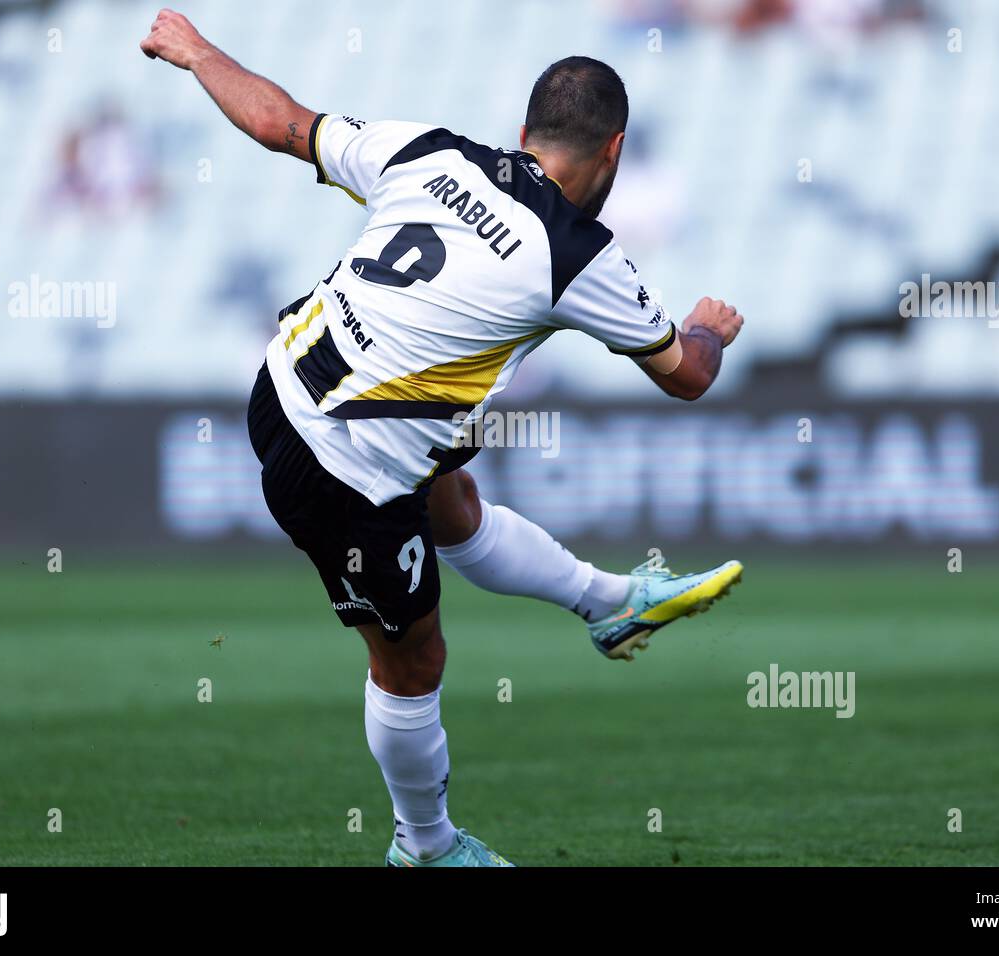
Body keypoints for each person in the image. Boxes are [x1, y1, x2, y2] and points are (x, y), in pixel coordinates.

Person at [141, 8, 745, 867]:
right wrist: (711, 326)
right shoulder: (575, 254)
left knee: (453, 498)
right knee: (414, 661)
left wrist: (197, 51)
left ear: (523, 132)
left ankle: (610, 604)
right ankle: (424, 847)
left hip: (282, 383)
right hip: (344, 468)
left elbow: (282, 124)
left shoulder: (432, 151)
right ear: (613, 152)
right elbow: (687, 374)